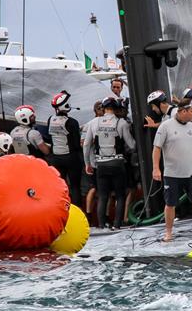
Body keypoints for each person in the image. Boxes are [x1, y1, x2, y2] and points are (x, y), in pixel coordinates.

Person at [152, 99, 192, 241]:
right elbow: (157, 148)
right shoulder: (165, 126)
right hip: (172, 173)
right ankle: (168, 232)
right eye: (191, 112)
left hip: (191, 171)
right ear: (183, 111)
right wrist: (156, 169)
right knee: (170, 204)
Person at [83, 97, 136, 230]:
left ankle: (101, 225)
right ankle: (117, 225)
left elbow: (86, 144)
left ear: (104, 107)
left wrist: (87, 163)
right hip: (118, 163)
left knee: (103, 195)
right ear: (116, 107)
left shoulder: (93, 123)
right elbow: (132, 145)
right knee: (120, 195)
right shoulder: (122, 123)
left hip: (101, 164)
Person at [47, 90, 83, 207]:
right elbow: (76, 143)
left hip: (56, 157)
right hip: (71, 157)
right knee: (75, 186)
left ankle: (61, 209)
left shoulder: (50, 120)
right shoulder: (72, 122)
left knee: (60, 187)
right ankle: (78, 211)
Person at [82, 100, 104, 219]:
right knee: (94, 188)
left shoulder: (105, 122)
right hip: (93, 162)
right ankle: (89, 214)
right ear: (95, 110)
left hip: (102, 161)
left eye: (103, 108)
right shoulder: (89, 124)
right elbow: (83, 143)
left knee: (104, 190)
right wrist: (88, 163)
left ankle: (101, 216)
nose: (103, 111)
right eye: (100, 109)